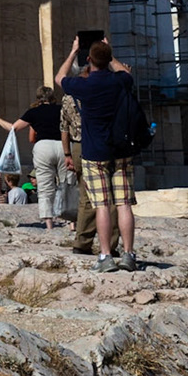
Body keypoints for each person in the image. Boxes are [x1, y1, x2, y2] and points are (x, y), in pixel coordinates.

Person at [57, 39, 139, 272]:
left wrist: (73, 50)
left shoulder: (84, 86)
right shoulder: (120, 81)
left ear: (89, 59)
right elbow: (126, 72)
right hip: (121, 151)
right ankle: (129, 254)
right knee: (123, 204)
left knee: (101, 205)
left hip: (94, 153)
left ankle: (105, 256)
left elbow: (59, 77)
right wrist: (110, 53)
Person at [11, 87, 67, 230]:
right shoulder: (61, 109)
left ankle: (49, 223)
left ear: (38, 98)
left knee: (44, 186)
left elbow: (14, 128)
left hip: (43, 146)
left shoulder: (33, 112)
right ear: (52, 97)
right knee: (67, 183)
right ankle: (72, 222)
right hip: (62, 145)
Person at [59, 80, 96, 255]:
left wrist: (67, 154)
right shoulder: (100, 91)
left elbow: (63, 127)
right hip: (100, 142)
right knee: (110, 198)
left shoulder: (68, 98)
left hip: (78, 146)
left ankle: (81, 242)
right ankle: (111, 245)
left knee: (84, 196)